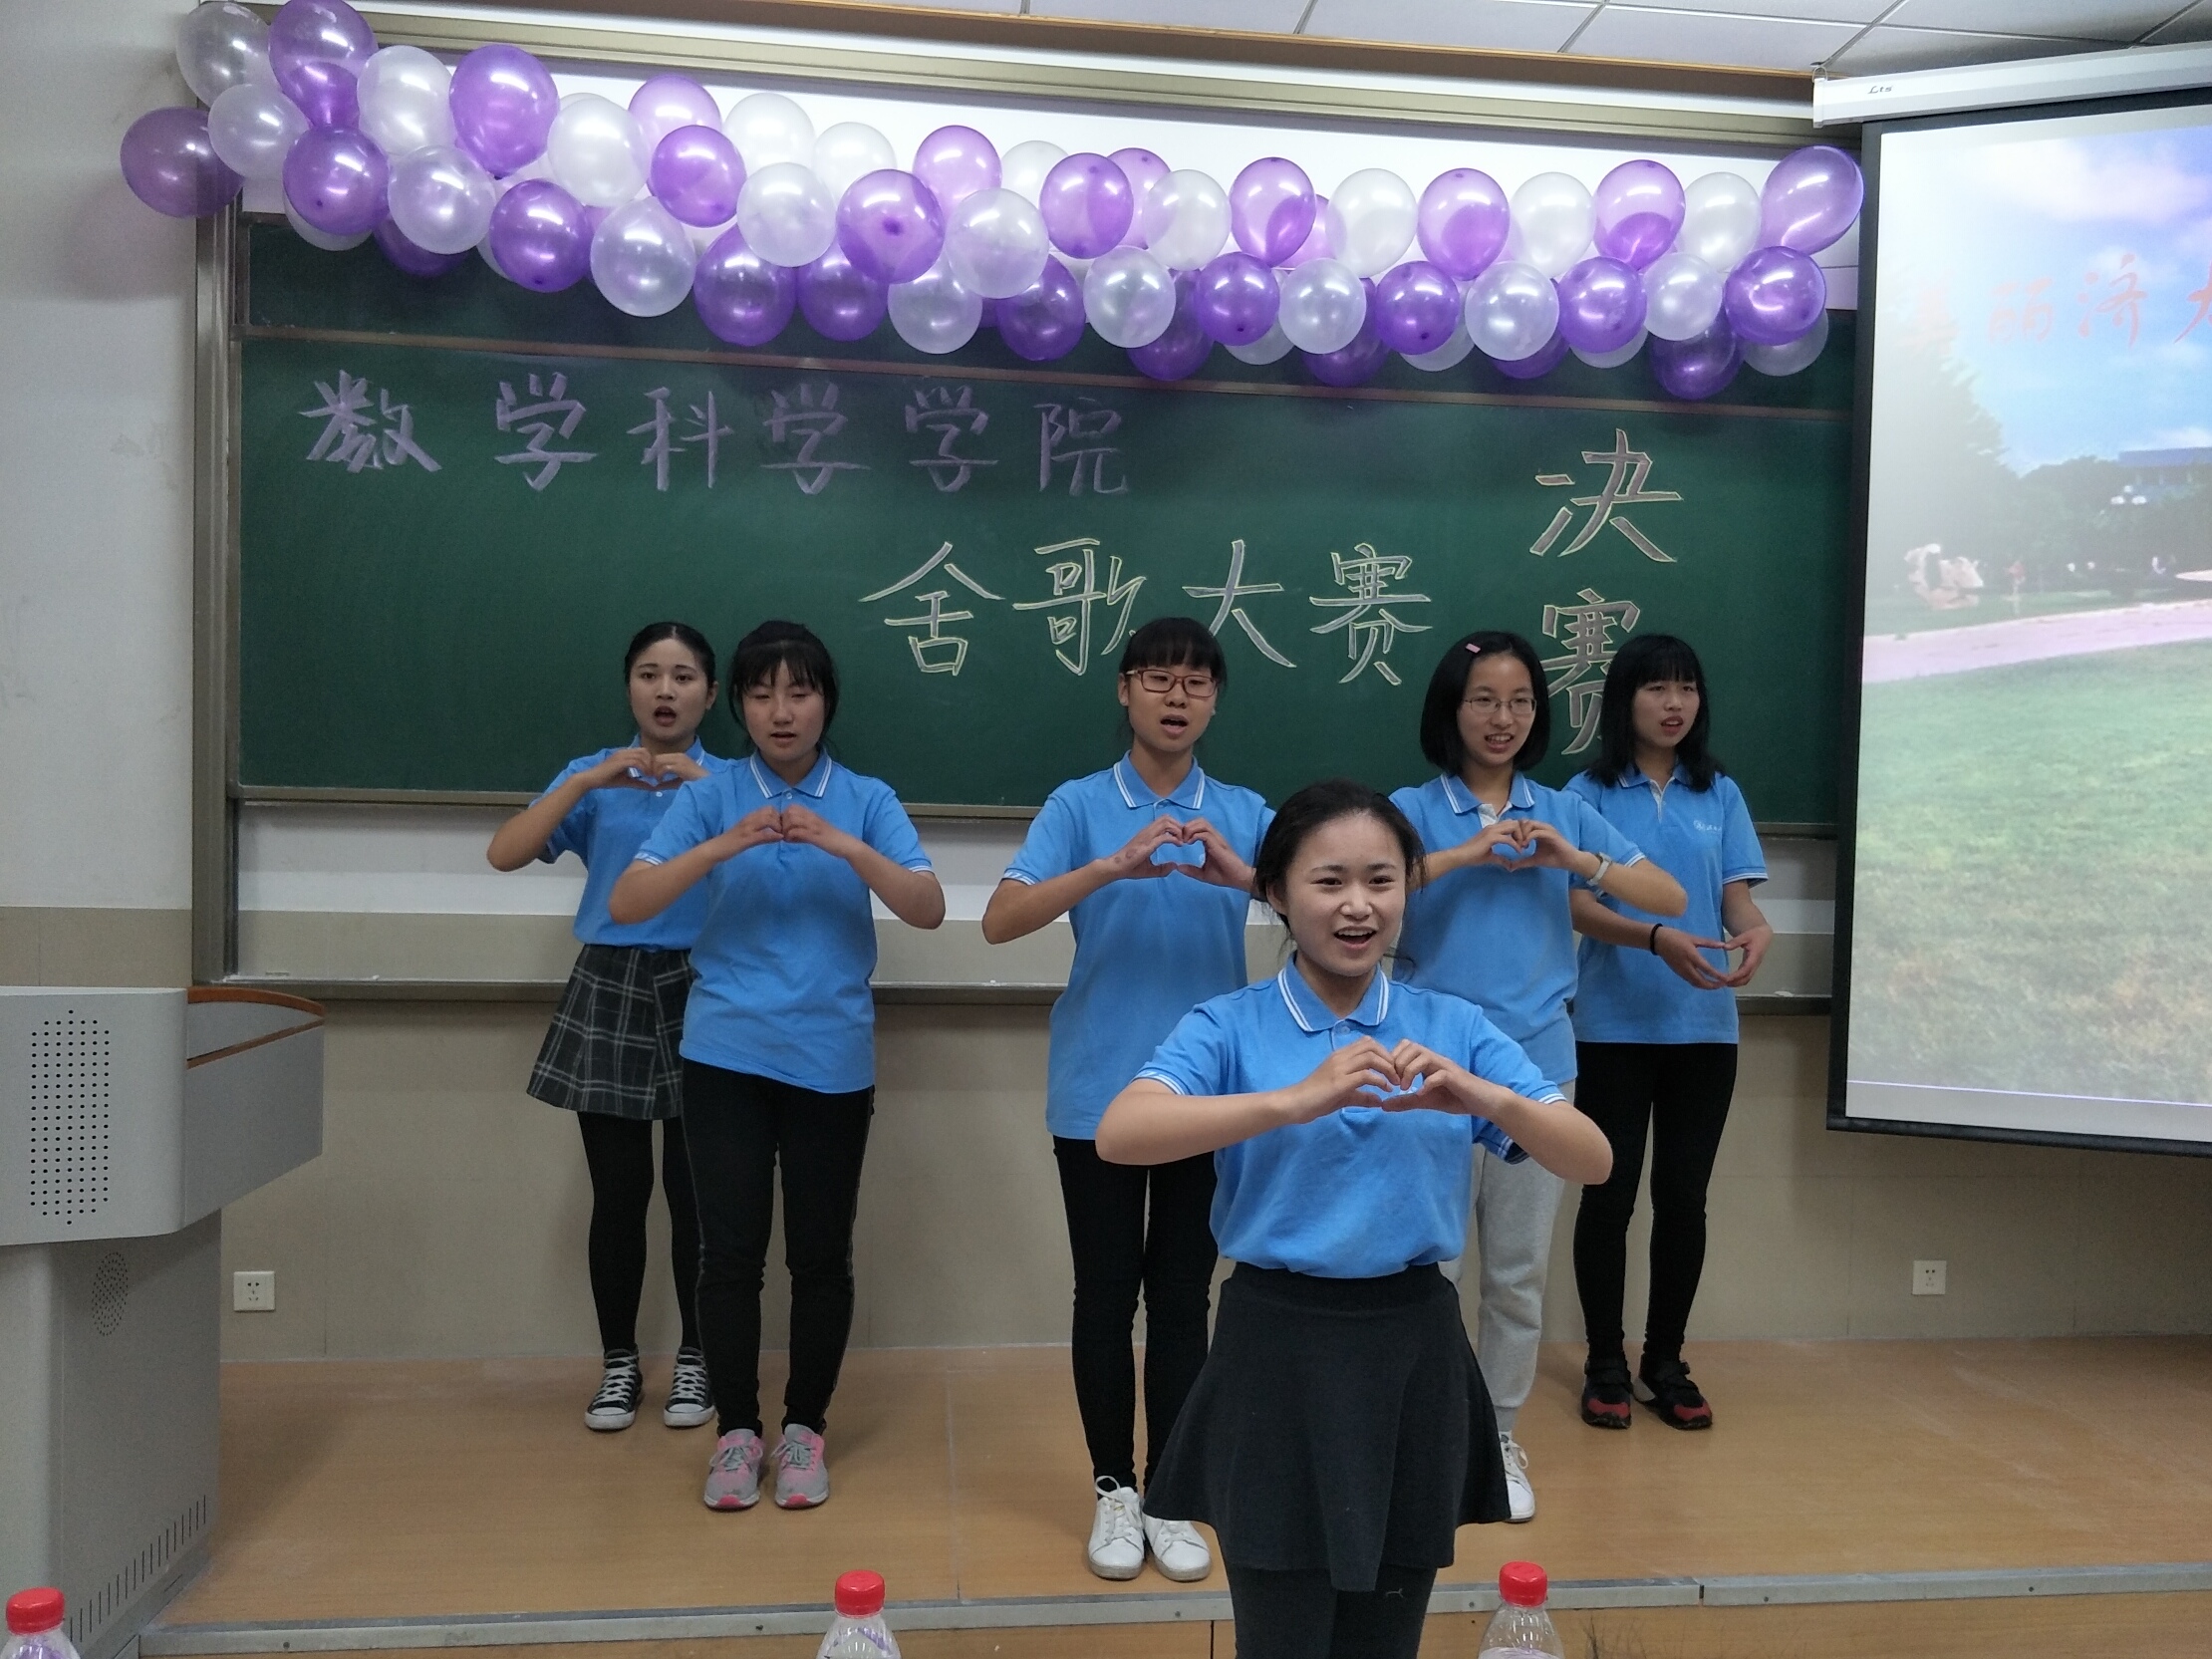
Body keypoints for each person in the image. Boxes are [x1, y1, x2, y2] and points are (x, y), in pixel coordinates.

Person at [1096, 779, 1612, 1659]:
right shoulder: (1229, 1023)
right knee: (1282, 1634)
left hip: (1413, 1347)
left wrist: (1483, 1095)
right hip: (1275, 1348)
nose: (1358, 905)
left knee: (1386, 1636)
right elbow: (1121, 1132)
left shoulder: (1452, 1024)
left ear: (1410, 888)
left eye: (1382, 880)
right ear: (1274, 890)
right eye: (1329, 880)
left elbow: (1591, 1157)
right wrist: (1291, 1101)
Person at [610, 621, 946, 1512]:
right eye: (761, 694)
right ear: (739, 705)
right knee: (727, 1254)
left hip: (832, 1058)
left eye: (799, 692)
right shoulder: (715, 792)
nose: (781, 711)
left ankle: (804, 1429)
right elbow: (630, 898)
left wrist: (846, 845)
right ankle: (735, 1432)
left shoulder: (866, 797)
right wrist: (723, 844)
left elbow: (927, 904)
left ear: (827, 701)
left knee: (821, 1255)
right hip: (724, 1053)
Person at [981, 617, 1270, 1584]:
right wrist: (1111, 864)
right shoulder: (1078, 804)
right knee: (1105, 1294)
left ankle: (1172, 1492)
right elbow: (1000, 920)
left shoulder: (1244, 809)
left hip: (1210, 1094)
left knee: (1184, 1296)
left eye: (1196, 681)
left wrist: (1243, 875)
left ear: (1217, 699)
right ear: (1123, 689)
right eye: (1157, 677)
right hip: (1098, 1089)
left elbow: (1329, 911)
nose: (1176, 695)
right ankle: (1114, 1486)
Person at [1390, 631, 1684, 1521]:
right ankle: (1428, 1438)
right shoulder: (1409, 808)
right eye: (1484, 698)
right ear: (1451, 708)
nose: (1503, 717)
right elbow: (1370, 889)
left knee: (1516, 1274)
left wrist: (1576, 860)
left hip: (1537, 1070)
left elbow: (1668, 897)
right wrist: (1466, 853)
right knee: (1427, 1271)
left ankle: (1498, 1435)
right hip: (1428, 1071)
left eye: (1520, 700)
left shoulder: (1562, 809)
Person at [485, 621, 722, 1435]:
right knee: (618, 1194)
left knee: (699, 1195)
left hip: (709, 985)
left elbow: (774, 860)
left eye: (683, 676)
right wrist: (588, 780)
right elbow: (505, 852)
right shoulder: (593, 775)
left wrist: (705, 785)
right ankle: (619, 1362)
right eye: (650, 674)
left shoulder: (731, 781)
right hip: (611, 981)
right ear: (629, 686)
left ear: (710, 695)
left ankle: (698, 1357)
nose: (666, 690)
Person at [1565, 634, 1772, 1431]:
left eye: (1686, 687)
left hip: (1704, 1029)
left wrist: (1757, 930)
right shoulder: (1584, 794)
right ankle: (1605, 1362)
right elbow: (1577, 907)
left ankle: (1666, 1361)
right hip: (1612, 1027)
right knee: (1608, 1196)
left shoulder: (1719, 791)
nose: (1674, 702)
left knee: (1683, 1199)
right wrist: (1654, 939)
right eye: (1656, 687)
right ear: (1624, 699)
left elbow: (1735, 900)